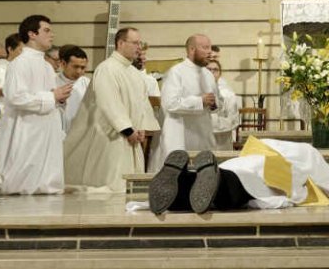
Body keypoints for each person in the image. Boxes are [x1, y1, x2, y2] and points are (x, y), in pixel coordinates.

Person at [64, 28, 159, 193]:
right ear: (121, 43)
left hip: (132, 136)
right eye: (135, 43)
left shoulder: (133, 72)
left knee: (129, 184)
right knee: (112, 184)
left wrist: (141, 128)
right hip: (111, 135)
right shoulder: (107, 68)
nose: (139, 47)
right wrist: (128, 129)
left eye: (140, 43)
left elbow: (141, 103)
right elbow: (108, 102)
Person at [148, 138, 329, 214]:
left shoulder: (264, 148)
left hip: (239, 163)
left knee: (227, 175)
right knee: (236, 190)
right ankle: (210, 184)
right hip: (254, 173)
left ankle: (182, 183)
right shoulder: (308, 154)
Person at [0, 15, 68, 195]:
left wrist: (59, 98)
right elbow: (15, 97)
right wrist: (51, 97)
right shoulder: (19, 63)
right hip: (26, 127)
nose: (52, 35)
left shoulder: (46, 66)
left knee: (44, 181)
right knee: (23, 179)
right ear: (32, 34)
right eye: (47, 30)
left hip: (45, 127)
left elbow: (49, 96)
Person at [149, 34, 219, 171]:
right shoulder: (176, 72)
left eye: (210, 47)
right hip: (179, 134)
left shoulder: (208, 74)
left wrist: (214, 104)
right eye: (205, 47)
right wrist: (200, 101)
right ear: (192, 49)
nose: (209, 51)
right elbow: (170, 103)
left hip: (203, 134)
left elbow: (216, 103)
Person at [208, 61, 242, 151]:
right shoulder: (197, 94)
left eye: (215, 70)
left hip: (223, 141)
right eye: (209, 69)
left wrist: (212, 123)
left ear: (220, 73)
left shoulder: (228, 94)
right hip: (203, 141)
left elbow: (234, 120)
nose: (212, 72)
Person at [56, 45, 89, 134]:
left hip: (80, 134)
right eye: (75, 66)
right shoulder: (51, 81)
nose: (79, 71)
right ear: (63, 64)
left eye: (82, 67)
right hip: (56, 132)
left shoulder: (88, 84)